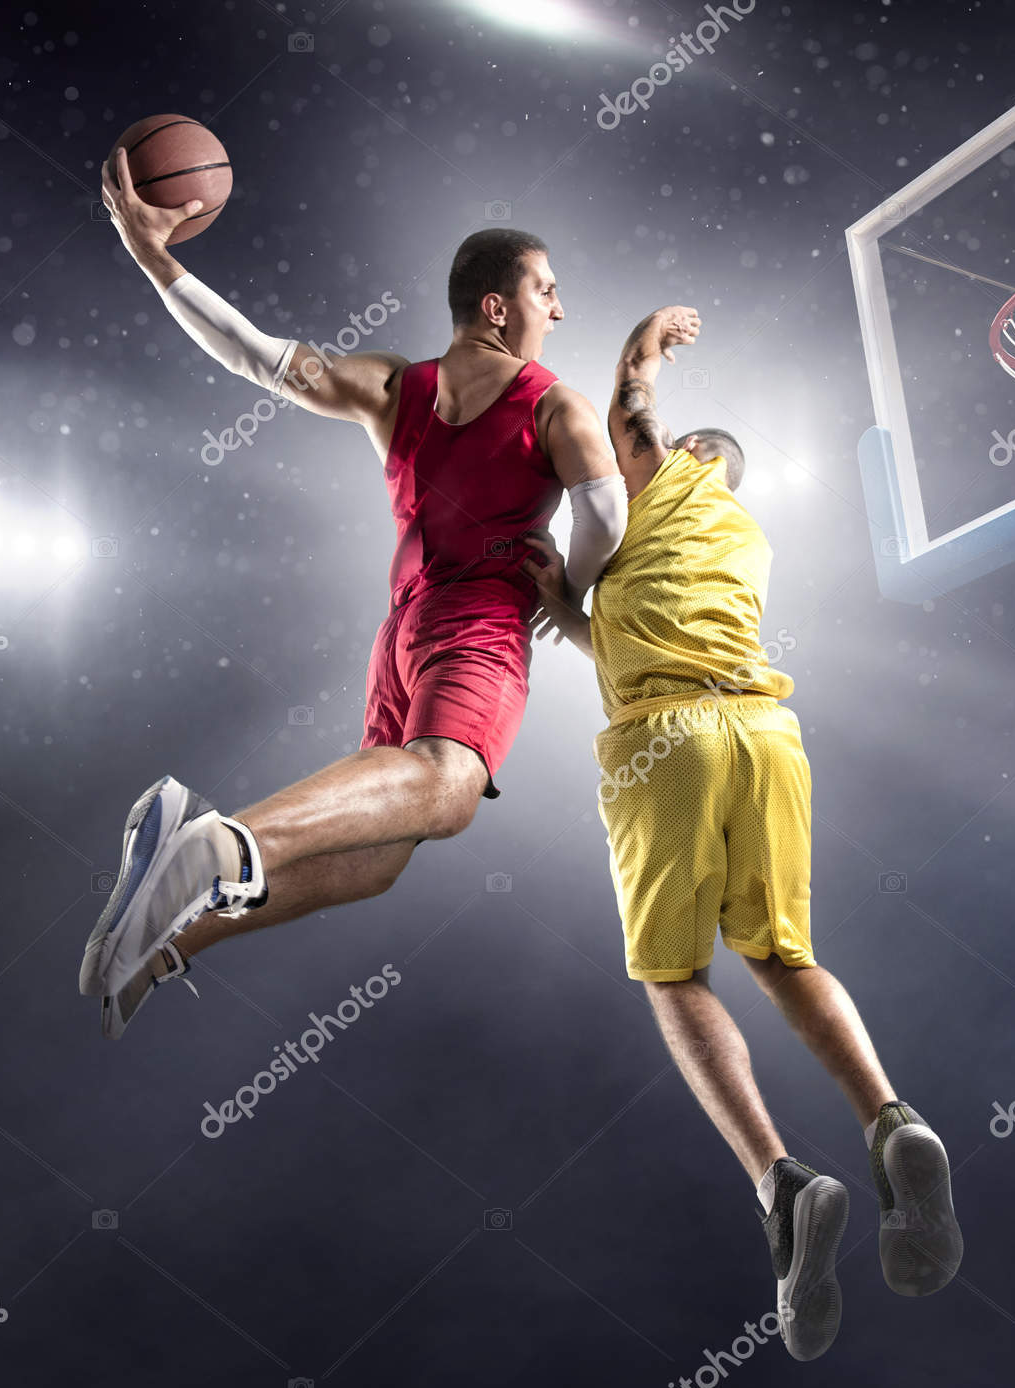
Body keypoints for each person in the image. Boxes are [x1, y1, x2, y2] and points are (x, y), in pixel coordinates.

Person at [81, 148, 626, 1037]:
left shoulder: (389, 385)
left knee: (379, 858)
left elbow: (257, 357)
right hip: (478, 620)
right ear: (498, 306)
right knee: (448, 791)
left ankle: (168, 943)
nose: (559, 309)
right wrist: (571, 591)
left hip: (401, 638)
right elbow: (603, 508)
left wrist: (158, 261)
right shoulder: (552, 404)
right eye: (546, 291)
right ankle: (211, 845)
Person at [524, 305, 964, 1361]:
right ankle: (890, 1119)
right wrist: (576, 613)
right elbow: (646, 635)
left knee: (673, 976)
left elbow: (627, 396)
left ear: (676, 458)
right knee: (781, 951)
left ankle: (780, 1183)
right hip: (765, 729)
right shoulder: (738, 538)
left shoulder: (654, 481)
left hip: (664, 741)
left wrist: (647, 336)